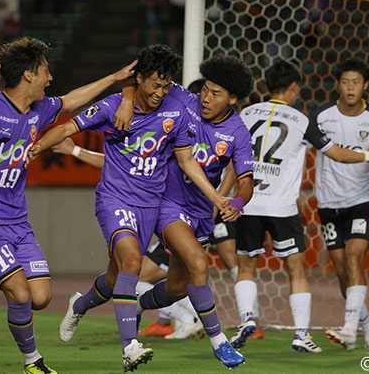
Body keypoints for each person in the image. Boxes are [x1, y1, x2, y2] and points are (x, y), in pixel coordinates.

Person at [29, 44, 232, 371]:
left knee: (115, 277)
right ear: (139, 79)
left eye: (166, 86)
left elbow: (185, 158)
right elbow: (67, 128)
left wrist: (216, 196)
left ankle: (80, 304)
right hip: (115, 199)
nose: (160, 92)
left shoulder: (176, 108)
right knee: (133, 262)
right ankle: (130, 347)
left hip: (152, 205)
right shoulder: (113, 107)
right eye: (155, 84)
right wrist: (33, 150)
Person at [0, 36, 138, 374]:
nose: (50, 78)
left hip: (18, 223)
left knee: (41, 298)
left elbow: (70, 101)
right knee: (20, 295)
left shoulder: (40, 110)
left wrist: (114, 79)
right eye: (45, 71)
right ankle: (32, 361)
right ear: (28, 75)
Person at [231, 59, 369, 352]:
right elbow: (336, 153)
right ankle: (301, 334)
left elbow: (231, 156)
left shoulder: (246, 114)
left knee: (246, 266)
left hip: (248, 203)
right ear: (293, 88)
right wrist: (368, 156)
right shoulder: (301, 120)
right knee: (296, 268)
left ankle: (247, 318)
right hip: (282, 207)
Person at [128, 55, 254, 369]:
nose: (206, 98)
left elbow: (246, 183)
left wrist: (237, 203)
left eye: (216, 93)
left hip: (201, 212)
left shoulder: (238, 132)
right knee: (199, 262)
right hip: (166, 202)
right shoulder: (183, 100)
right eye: (205, 90)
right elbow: (142, 84)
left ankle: (136, 305)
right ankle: (220, 342)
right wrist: (127, 98)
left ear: (232, 99)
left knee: (177, 287)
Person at [51, 138, 202, 340]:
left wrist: (218, 201)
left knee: (174, 283)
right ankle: (134, 334)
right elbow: (113, 164)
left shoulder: (195, 138)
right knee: (125, 272)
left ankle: (185, 319)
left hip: (174, 216)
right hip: (133, 208)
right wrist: (75, 150)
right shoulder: (150, 135)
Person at [312, 59, 369, 350]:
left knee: (354, 257)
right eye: (345, 82)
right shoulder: (320, 117)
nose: (350, 88)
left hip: (361, 200)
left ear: (365, 85)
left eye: (356, 82)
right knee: (342, 271)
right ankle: (368, 328)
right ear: (337, 85)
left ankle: (349, 330)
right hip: (328, 201)